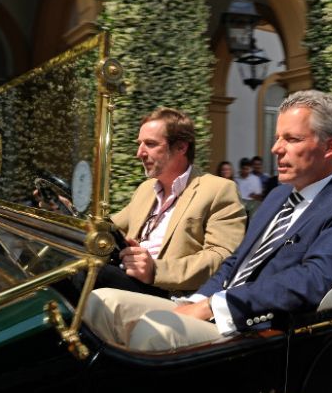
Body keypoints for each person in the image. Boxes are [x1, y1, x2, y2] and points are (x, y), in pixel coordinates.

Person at [84, 90, 332, 351]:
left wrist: (214, 306)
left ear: (329, 147)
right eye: (277, 137)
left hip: (254, 329)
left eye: (292, 139)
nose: (276, 148)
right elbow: (235, 261)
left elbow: (315, 280)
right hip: (212, 306)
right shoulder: (278, 196)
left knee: (155, 331)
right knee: (101, 303)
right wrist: (196, 301)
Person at [90, 107, 247, 298]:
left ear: (181, 147)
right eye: (140, 144)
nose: (139, 153)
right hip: (129, 280)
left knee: (91, 273)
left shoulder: (219, 190)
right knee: (78, 265)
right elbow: (110, 227)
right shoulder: (146, 189)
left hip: (172, 294)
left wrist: (155, 270)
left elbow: (223, 258)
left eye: (150, 144)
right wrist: (69, 213)